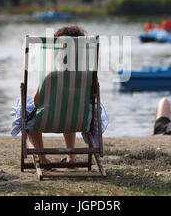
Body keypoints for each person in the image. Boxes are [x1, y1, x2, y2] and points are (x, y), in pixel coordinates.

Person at [10, 26, 109, 164]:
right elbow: (94, 97)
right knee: (71, 108)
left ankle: (43, 158)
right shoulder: (88, 76)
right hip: (81, 120)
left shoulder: (51, 77)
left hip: (48, 120)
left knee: (26, 113)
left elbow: (38, 102)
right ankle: (71, 157)